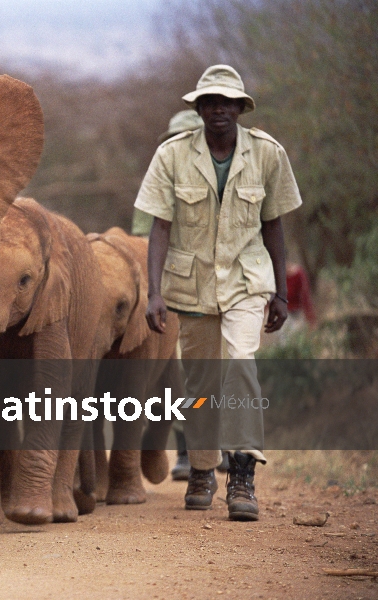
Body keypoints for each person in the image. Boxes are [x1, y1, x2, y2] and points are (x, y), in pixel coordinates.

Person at [136, 65, 302, 521]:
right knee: (201, 383)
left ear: (239, 108)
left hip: (248, 282)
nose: (218, 110)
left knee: (240, 365)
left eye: (227, 102)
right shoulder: (172, 155)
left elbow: (274, 224)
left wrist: (282, 295)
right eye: (210, 102)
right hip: (192, 286)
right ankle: (204, 469)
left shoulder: (268, 154)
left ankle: (243, 474)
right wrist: (155, 293)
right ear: (199, 108)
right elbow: (160, 227)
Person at [131, 109, 204, 482]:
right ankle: (188, 448)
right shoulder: (160, 179)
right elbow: (144, 238)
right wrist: (154, 290)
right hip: (176, 284)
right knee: (177, 371)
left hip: (221, 284)